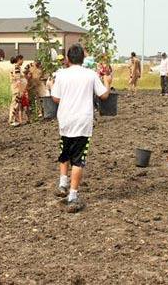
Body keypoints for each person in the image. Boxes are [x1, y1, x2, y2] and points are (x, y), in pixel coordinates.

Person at [50, 44, 109, 213]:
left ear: (67, 59)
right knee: (78, 159)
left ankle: (63, 183)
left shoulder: (61, 74)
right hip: (82, 121)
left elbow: (55, 98)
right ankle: (73, 196)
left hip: (66, 120)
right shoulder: (90, 75)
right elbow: (103, 95)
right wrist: (106, 80)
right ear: (83, 58)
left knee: (64, 151)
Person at [8, 55, 27, 127]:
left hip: (18, 89)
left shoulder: (17, 67)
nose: (23, 61)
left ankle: (15, 120)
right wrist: (20, 90)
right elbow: (18, 80)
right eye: (22, 60)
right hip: (17, 89)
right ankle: (12, 120)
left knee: (17, 105)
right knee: (15, 104)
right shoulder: (16, 68)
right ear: (19, 59)